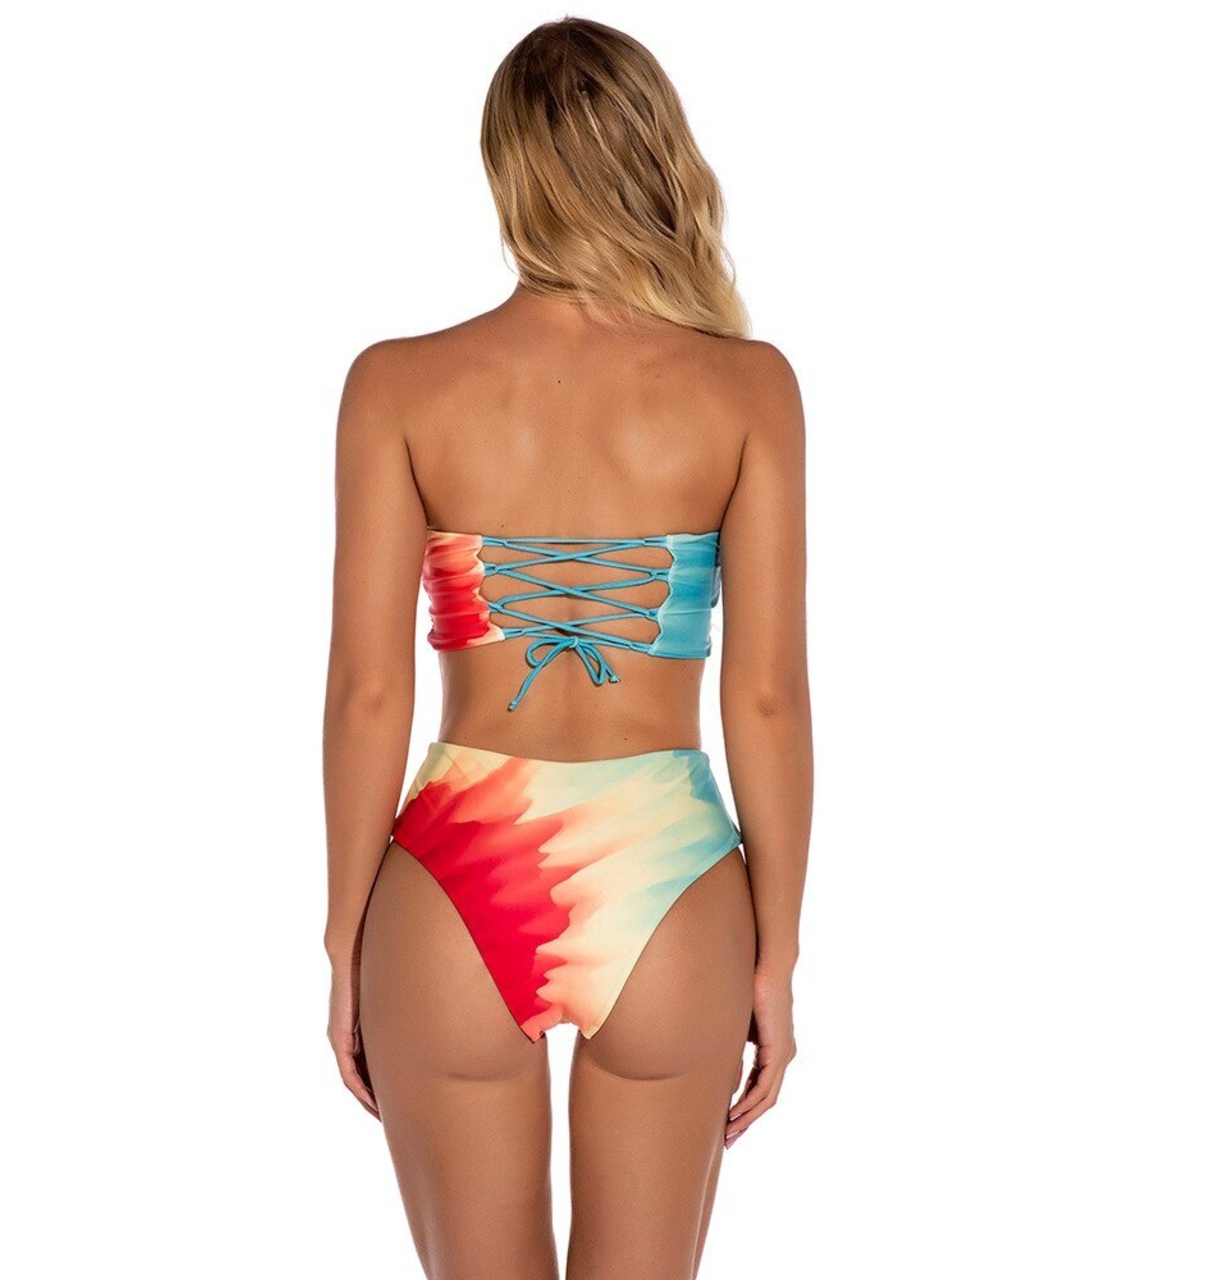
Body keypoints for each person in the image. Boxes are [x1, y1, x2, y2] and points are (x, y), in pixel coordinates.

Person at [322, 17, 812, 1280]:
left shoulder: (397, 383)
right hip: (670, 870)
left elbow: (369, 690)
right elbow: (764, 697)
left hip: (456, 867)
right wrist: (776, 950)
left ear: (507, 170)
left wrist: (341, 938)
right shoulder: (747, 387)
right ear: (656, 153)